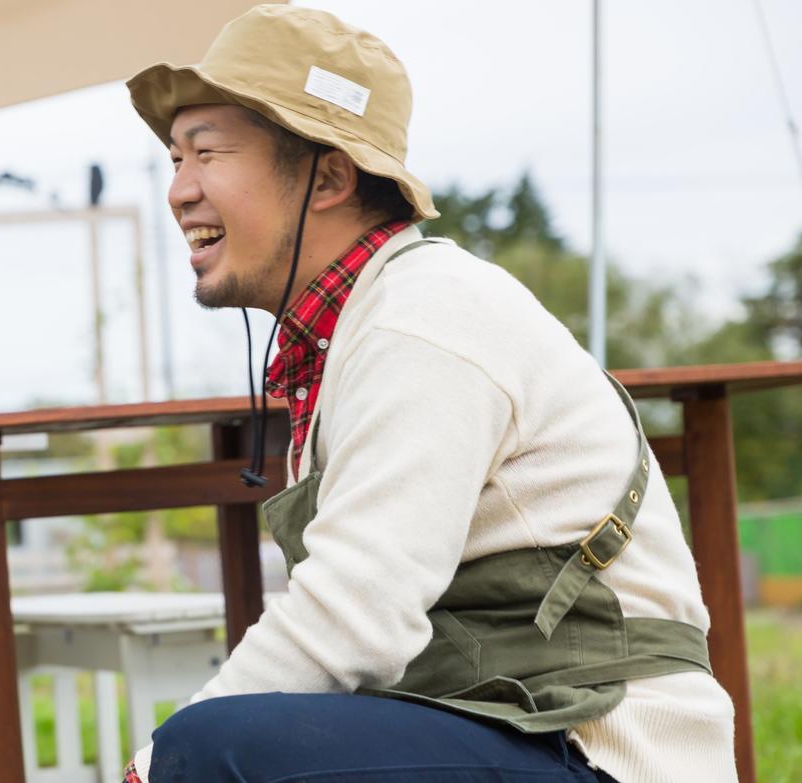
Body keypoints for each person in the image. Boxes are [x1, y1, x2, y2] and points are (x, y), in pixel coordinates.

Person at [121, 6, 733, 782]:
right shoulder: (356, 332)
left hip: (598, 747)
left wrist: (152, 766)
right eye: (176, 158)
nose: (179, 190)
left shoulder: (422, 318)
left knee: (214, 749)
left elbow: (352, 616)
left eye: (207, 153)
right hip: (508, 727)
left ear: (329, 177)